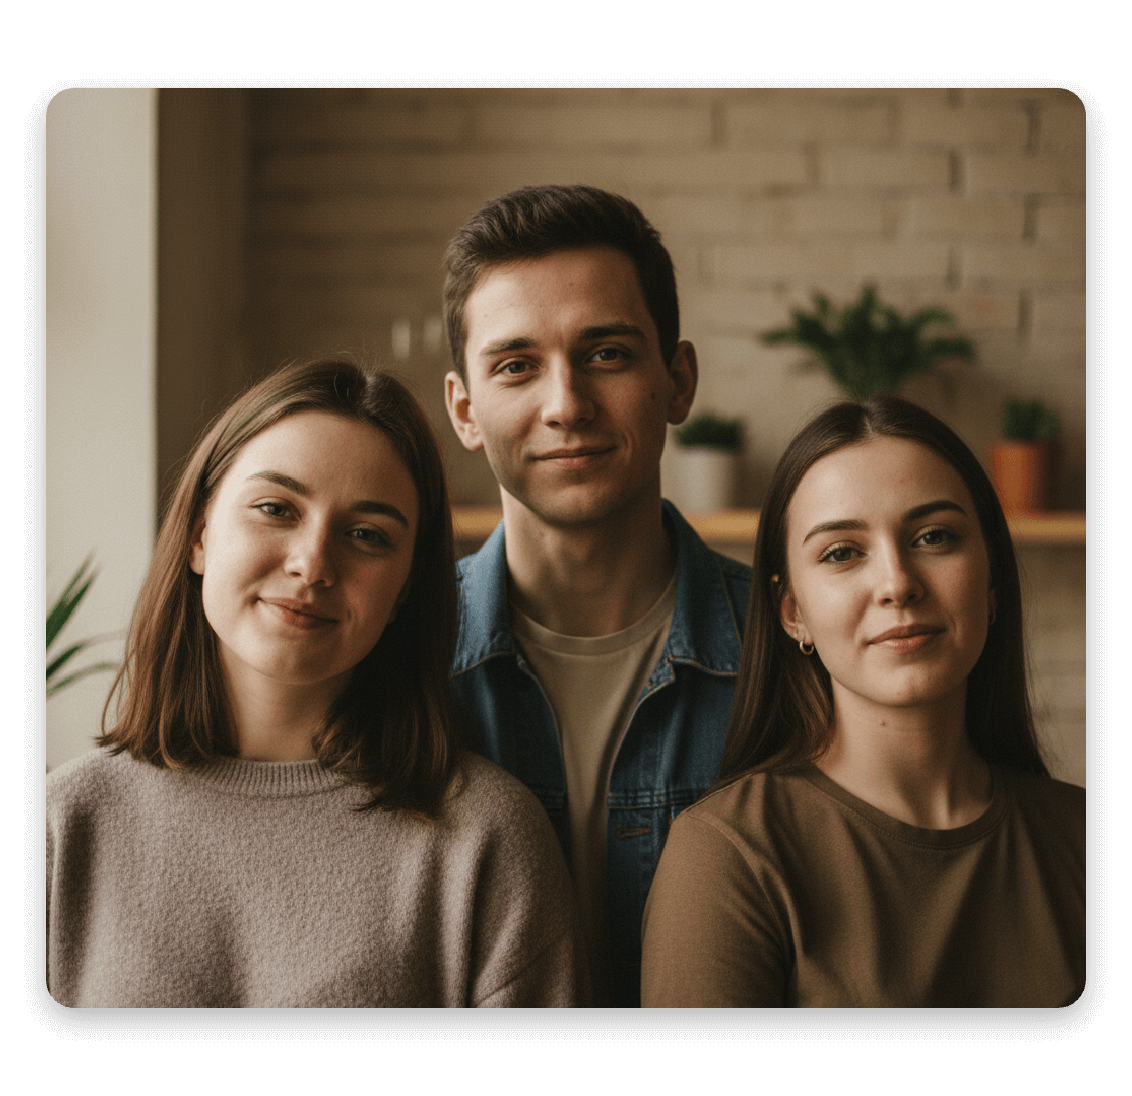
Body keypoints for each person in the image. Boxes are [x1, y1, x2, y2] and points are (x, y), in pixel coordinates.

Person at [47, 358, 586, 1008]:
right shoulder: (65, 826)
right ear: (198, 535)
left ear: (404, 589)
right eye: (276, 508)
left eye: (366, 535)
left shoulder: (486, 842)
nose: (312, 563)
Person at [641, 395, 1085, 1007]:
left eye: (935, 536)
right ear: (793, 612)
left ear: (991, 581)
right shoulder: (728, 858)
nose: (898, 582)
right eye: (842, 552)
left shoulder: (1076, 837)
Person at [442, 185, 751, 1007]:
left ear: (677, 381)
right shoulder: (393, 651)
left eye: (606, 353)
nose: (566, 404)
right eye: (516, 366)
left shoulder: (793, 652)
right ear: (466, 409)